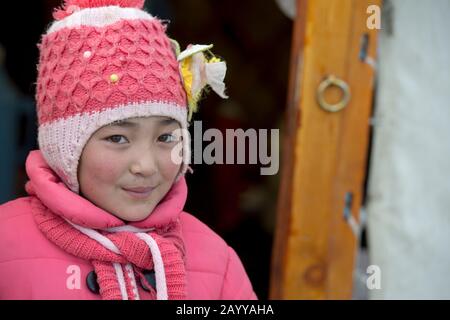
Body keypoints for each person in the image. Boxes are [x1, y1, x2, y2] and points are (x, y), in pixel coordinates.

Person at [0, 0, 256, 300]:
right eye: (118, 138)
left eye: (165, 138)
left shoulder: (216, 261)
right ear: (65, 147)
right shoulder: (7, 247)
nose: (146, 166)